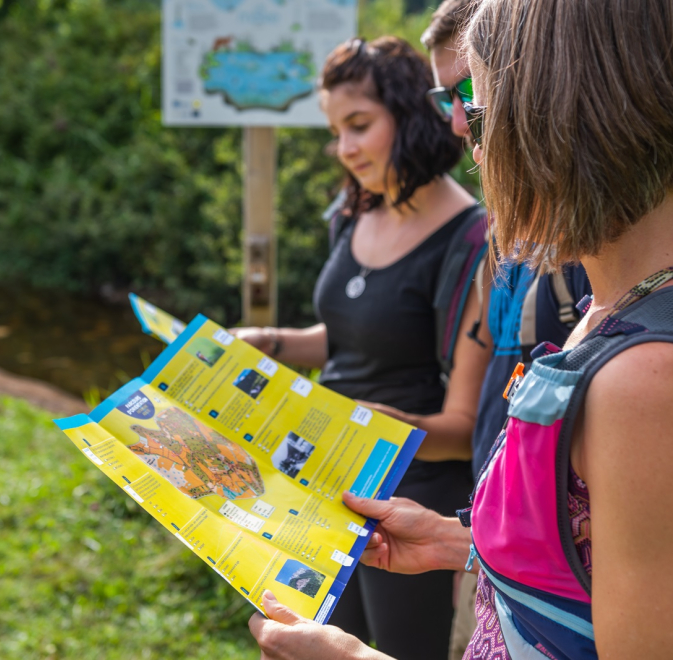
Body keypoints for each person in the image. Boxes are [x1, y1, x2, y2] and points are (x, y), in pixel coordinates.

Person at [248, 0, 673, 657]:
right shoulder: (609, 313)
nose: (462, 134)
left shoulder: (643, 382)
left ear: (555, 112)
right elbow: (588, 559)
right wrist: (459, 541)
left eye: (473, 101)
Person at [233, 36, 492, 659]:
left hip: (408, 494)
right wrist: (266, 344)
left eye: (359, 125)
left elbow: (461, 426)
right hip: (319, 473)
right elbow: (350, 335)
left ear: (410, 114)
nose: (344, 149)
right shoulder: (351, 212)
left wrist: (360, 425)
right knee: (300, 640)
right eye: (335, 130)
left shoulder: (474, 241)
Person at [421, 1, 592, 657]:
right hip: (500, 534)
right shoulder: (504, 230)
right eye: (445, 98)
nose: (460, 119)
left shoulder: (598, 256)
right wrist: (462, 538)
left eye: (470, 90)